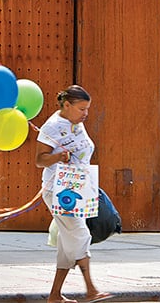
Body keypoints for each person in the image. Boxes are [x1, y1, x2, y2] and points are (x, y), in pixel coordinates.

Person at [35, 84, 114, 303]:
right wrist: (58, 157)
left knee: (67, 242)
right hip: (59, 191)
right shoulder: (51, 127)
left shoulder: (76, 124)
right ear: (67, 105)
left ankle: (55, 295)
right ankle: (91, 289)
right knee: (80, 234)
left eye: (87, 109)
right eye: (81, 109)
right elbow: (39, 160)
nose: (86, 114)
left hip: (78, 187)